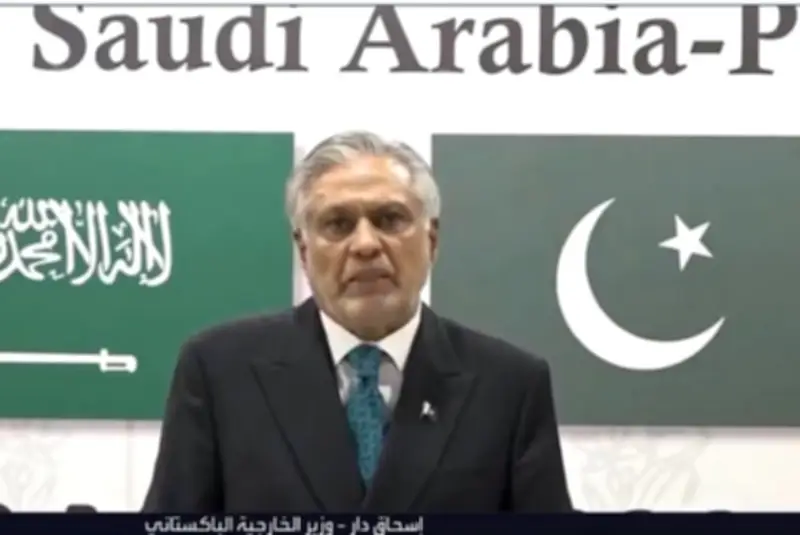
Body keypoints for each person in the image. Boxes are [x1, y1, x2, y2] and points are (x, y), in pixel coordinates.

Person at [142, 131, 573, 513]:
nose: (366, 244)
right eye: (338, 224)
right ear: (304, 250)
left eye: (390, 220)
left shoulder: (509, 385)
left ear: (432, 239)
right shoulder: (220, 372)